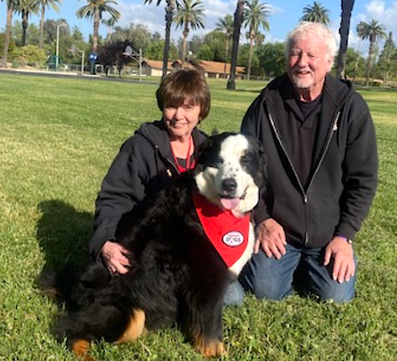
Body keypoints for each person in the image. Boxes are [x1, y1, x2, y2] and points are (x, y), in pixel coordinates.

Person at [238, 21, 378, 303]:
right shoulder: (265, 104)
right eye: (295, 53)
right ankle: (288, 266)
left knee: (335, 297)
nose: (302, 63)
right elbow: (243, 170)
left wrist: (344, 236)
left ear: (328, 62)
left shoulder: (350, 108)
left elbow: (362, 180)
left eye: (311, 56)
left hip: (327, 235)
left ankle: (311, 266)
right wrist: (262, 218)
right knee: (266, 291)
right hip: (279, 230)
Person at [89, 69, 211, 275]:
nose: (178, 116)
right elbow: (114, 198)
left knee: (231, 295)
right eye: (171, 106)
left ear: (201, 111)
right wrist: (105, 242)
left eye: (188, 107)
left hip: (189, 246)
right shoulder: (140, 147)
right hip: (146, 243)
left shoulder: (208, 152)